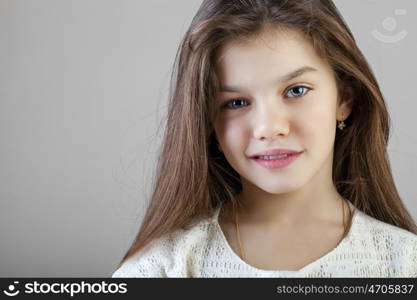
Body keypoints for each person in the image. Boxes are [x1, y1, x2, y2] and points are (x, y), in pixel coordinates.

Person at [112, 0, 417, 277]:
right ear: (207, 121)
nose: (269, 128)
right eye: (236, 103)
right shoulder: (161, 269)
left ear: (344, 101)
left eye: (296, 90)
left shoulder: (404, 264)